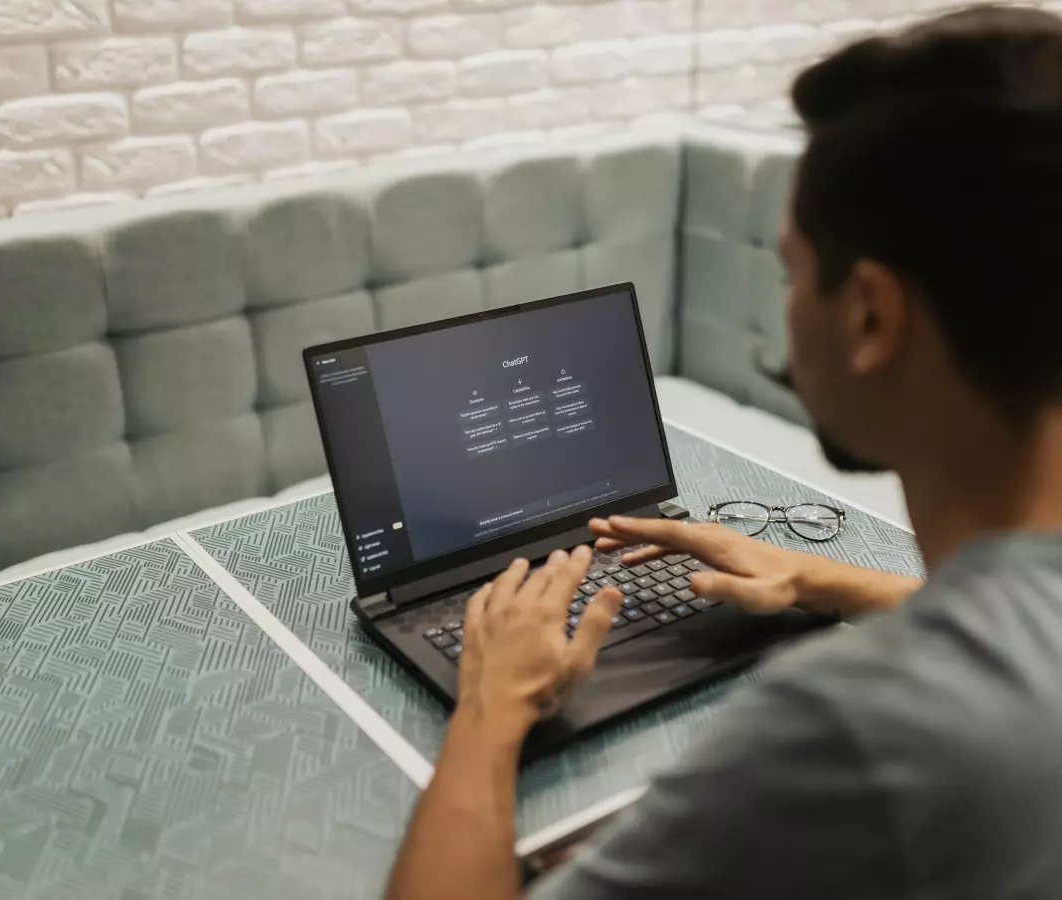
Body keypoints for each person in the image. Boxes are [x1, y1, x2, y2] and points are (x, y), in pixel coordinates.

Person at [385, 5, 1062, 899]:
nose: (782, 307)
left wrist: (491, 706)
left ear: (868, 316)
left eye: (789, 271)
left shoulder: (844, 726)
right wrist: (821, 578)